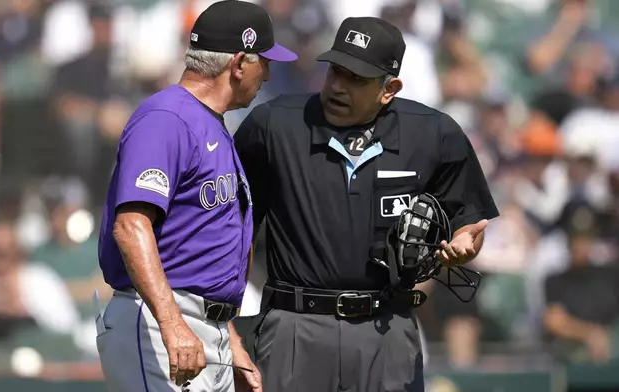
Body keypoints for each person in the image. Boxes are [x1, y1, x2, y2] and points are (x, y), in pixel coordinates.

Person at [233, 16, 499, 391]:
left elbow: (468, 226)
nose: (338, 86)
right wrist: (229, 327)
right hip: (295, 325)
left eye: (356, 78)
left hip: (386, 327)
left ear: (389, 88)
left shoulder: (435, 134)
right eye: (335, 71)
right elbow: (236, 230)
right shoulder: (273, 125)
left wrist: (466, 246)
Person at [95, 2, 297, 392]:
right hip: (160, 322)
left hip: (204, 326)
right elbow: (131, 225)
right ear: (239, 63)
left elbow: (205, 250)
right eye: (264, 62)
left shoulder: (210, 122)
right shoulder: (166, 118)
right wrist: (172, 324)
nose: (269, 74)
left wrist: (230, 339)